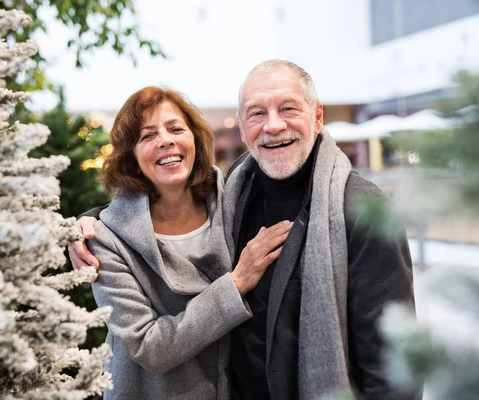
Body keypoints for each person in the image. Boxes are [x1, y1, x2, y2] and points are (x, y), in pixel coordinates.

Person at [71, 60, 416, 400]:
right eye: (257, 113)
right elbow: (139, 217)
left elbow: (395, 361)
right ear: (241, 126)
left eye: (288, 108)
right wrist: (91, 221)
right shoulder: (238, 189)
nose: (274, 125)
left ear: (318, 116)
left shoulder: (358, 208)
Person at [85, 86, 291, 400]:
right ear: (131, 157)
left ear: (193, 138)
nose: (166, 140)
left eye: (176, 129)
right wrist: (236, 283)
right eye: (147, 135)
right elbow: (148, 346)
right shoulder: (107, 240)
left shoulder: (230, 199)